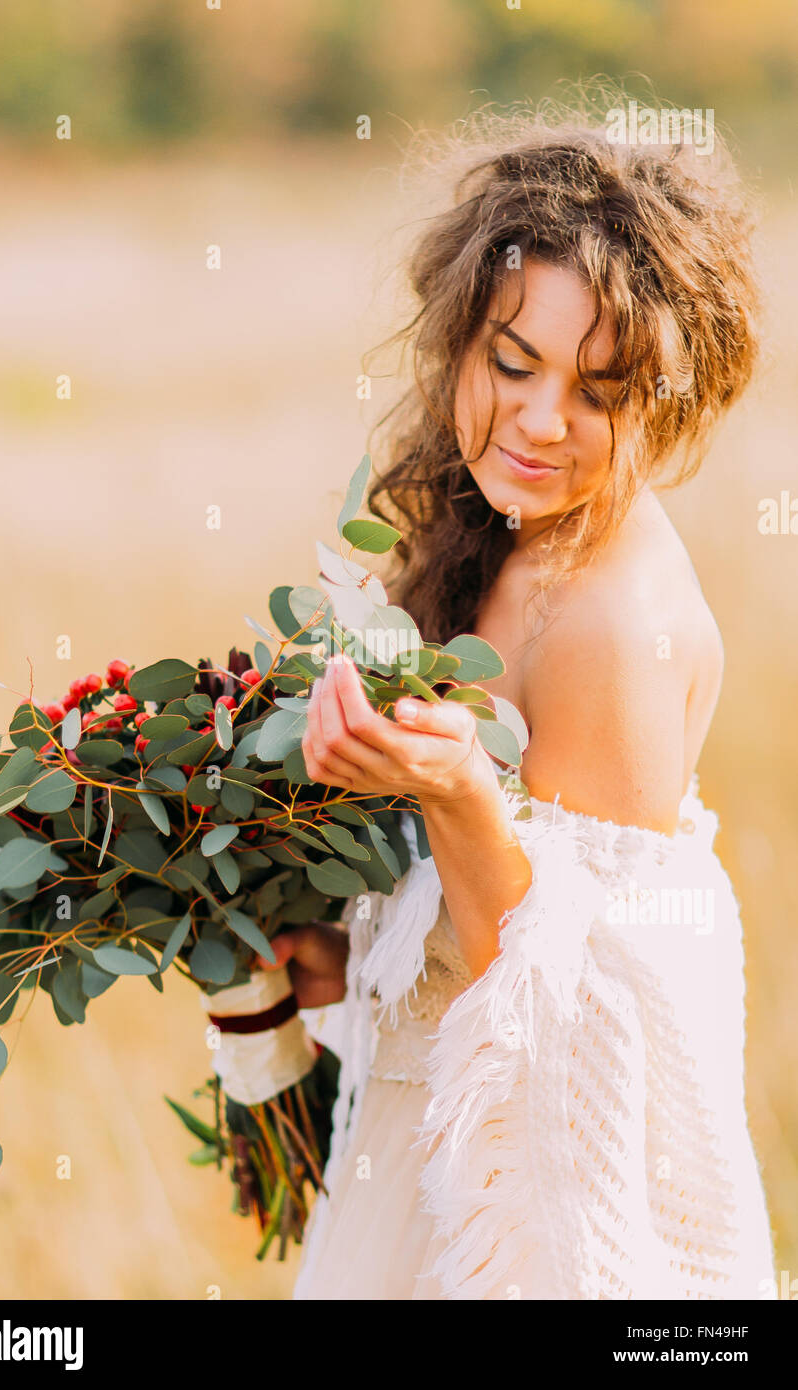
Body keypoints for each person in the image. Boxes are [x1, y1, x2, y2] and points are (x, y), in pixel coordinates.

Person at [261, 100, 777, 1300]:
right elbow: (461, 923)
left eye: (599, 392)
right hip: (419, 1138)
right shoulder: (496, 529)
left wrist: (450, 784)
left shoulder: (613, 627)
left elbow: (564, 1002)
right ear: (458, 339)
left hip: (506, 1215)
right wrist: (343, 955)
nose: (540, 422)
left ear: (671, 403)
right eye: (511, 362)